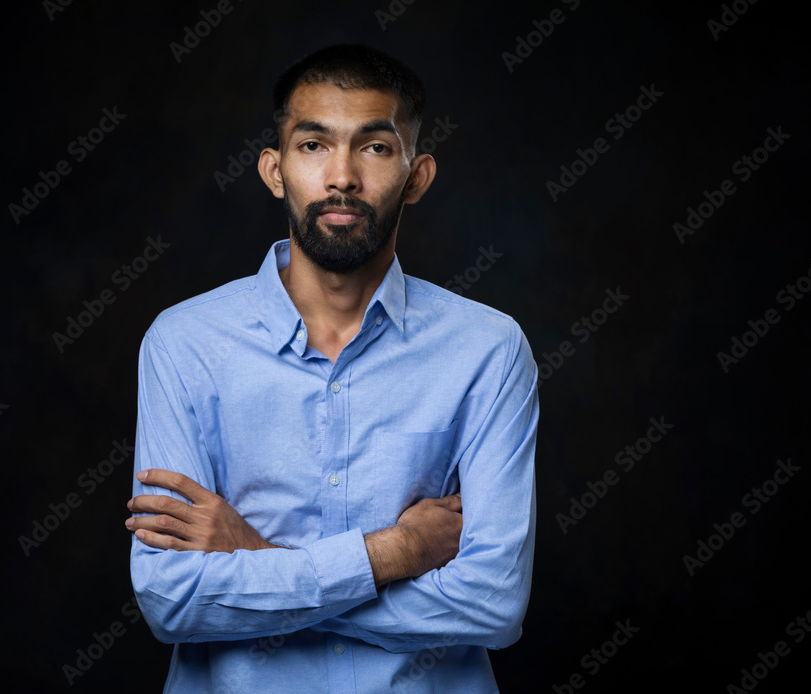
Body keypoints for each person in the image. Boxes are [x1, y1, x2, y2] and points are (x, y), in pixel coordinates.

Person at [126, 44, 539, 693]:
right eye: (313, 145)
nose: (341, 176)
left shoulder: (487, 349)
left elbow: (494, 603)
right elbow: (173, 602)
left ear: (417, 175)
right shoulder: (185, 345)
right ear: (274, 169)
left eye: (374, 148)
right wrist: (395, 553)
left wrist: (257, 561)